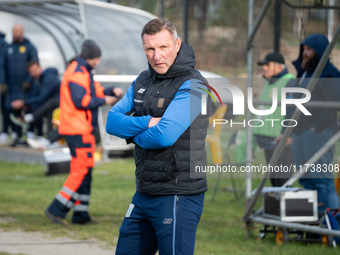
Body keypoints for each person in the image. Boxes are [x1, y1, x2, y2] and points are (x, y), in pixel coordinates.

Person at [106, 18, 210, 255]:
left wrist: (131, 134)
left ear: (177, 44)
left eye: (163, 47)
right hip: (144, 192)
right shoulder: (143, 79)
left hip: (177, 193)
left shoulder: (194, 85)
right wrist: (146, 122)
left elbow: (164, 136)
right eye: (150, 49)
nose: (156, 56)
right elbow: (112, 122)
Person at [44, 40, 123, 225]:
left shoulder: (83, 71)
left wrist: (111, 91)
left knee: (85, 171)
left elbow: (95, 92)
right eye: (96, 59)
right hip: (78, 129)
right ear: (91, 57)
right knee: (81, 170)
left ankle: (80, 215)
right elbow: (82, 101)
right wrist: (106, 100)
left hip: (79, 129)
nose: (97, 62)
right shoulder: (78, 73)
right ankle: (56, 208)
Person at [278, 34, 340, 211]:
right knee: (306, 178)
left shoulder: (330, 74)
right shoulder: (304, 73)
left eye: (309, 49)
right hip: (300, 133)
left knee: (321, 178)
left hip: (318, 134)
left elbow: (334, 104)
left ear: (320, 51)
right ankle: (316, 222)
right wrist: (286, 130)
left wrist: (316, 127)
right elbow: (293, 104)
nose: (305, 53)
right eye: (304, 49)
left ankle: (333, 224)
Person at [253, 52, 295, 187]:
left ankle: (286, 208)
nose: (264, 68)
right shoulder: (270, 83)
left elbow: (292, 110)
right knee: (274, 179)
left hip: (281, 139)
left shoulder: (290, 82)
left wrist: (287, 133)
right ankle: (276, 208)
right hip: (267, 138)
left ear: (279, 67)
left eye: (267, 65)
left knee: (283, 180)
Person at [4, 24, 39, 146]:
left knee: (27, 109)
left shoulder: (30, 47)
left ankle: (29, 135)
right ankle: (16, 135)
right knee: (12, 110)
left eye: (17, 31)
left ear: (22, 32)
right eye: (13, 31)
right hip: (11, 86)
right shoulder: (8, 48)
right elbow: (2, 65)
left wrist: (28, 81)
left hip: (25, 87)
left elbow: (35, 64)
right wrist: (2, 82)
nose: (14, 33)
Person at [10, 61, 61, 136]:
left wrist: (23, 102)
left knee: (50, 103)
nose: (34, 72)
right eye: (31, 72)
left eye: (35, 69)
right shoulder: (41, 79)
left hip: (63, 103)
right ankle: (48, 138)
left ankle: (29, 118)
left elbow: (41, 98)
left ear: (40, 67)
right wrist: (26, 103)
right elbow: (38, 96)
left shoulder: (49, 78)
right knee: (47, 108)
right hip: (54, 105)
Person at [0, 31, 12, 145]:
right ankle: (7, 132)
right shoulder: (6, 44)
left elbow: (2, 65)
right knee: (6, 109)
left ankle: (4, 133)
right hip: (6, 83)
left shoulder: (2, 45)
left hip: (3, 83)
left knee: (5, 108)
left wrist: (2, 82)